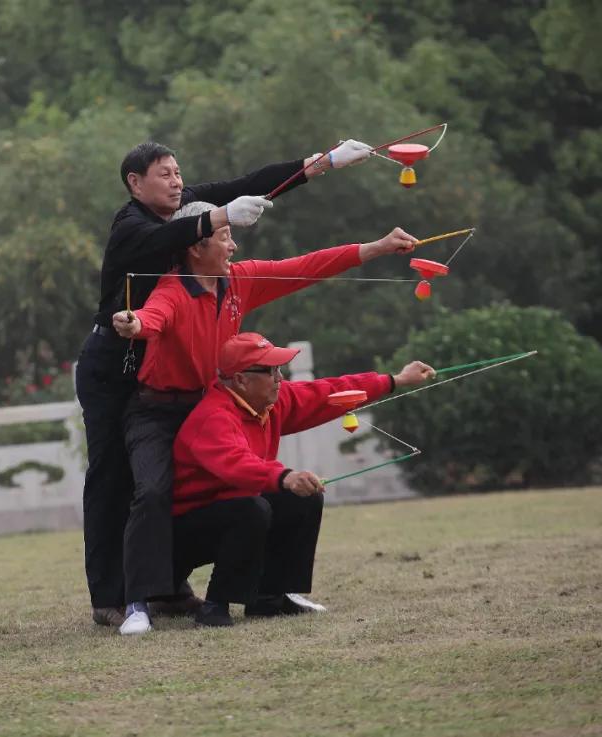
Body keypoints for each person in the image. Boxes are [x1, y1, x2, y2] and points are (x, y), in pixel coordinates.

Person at [78, 139, 375, 627]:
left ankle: (179, 590)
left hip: (169, 370)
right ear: (135, 183)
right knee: (121, 482)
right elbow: (166, 250)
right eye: (163, 174)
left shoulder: (195, 220)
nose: (176, 181)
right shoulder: (129, 226)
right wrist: (217, 220)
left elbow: (247, 185)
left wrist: (323, 163)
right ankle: (114, 599)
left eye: (178, 172)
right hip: (115, 368)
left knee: (195, 480)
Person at [108, 200, 418, 634]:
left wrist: (376, 248)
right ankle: (137, 602)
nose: (234, 246)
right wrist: (135, 324)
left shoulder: (240, 283)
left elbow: (305, 268)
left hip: (207, 397)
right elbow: (154, 316)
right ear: (196, 247)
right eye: (225, 236)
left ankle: (272, 594)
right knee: (153, 492)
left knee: (259, 501)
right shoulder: (173, 289)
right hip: (158, 409)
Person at [170, 332, 435, 627]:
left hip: (234, 512)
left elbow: (328, 392)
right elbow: (236, 465)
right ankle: (215, 607)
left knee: (299, 499)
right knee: (251, 508)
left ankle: (269, 599)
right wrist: (283, 476)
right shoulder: (213, 416)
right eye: (270, 371)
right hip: (182, 533)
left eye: (279, 369)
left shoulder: (269, 403)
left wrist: (394, 380)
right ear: (241, 380)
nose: (279, 378)